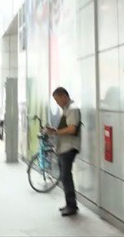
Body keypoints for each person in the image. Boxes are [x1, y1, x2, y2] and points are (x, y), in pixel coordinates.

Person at [47, 87, 81, 217]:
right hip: (64, 147)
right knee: (65, 176)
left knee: (66, 176)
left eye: (58, 100)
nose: (57, 103)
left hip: (69, 147)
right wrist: (54, 130)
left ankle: (72, 206)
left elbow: (72, 129)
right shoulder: (67, 109)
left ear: (64, 97)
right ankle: (69, 204)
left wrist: (56, 132)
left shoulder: (72, 109)